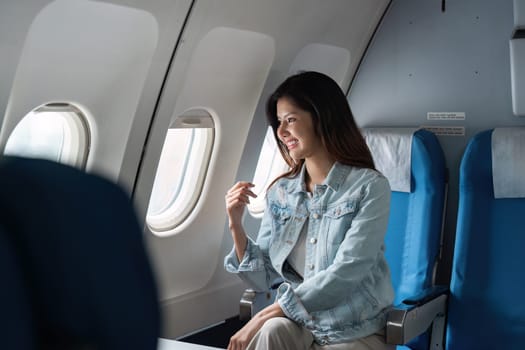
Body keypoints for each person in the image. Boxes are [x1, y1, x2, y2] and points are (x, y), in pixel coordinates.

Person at [224, 71, 394, 350]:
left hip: (353, 327)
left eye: (290, 120)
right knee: (271, 332)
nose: (281, 132)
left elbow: (347, 272)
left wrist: (263, 316)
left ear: (322, 117)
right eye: (278, 123)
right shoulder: (281, 192)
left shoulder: (369, 188)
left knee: (266, 324)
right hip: (301, 321)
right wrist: (235, 225)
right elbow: (262, 278)